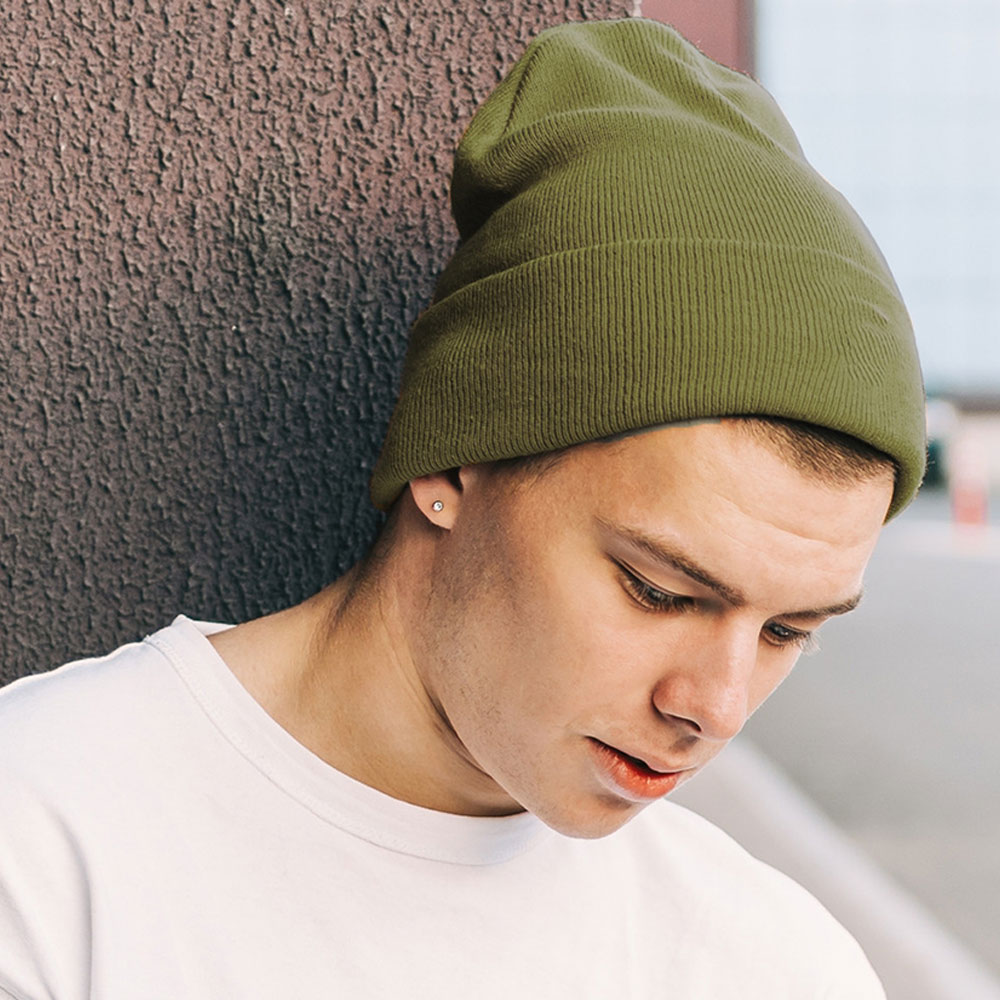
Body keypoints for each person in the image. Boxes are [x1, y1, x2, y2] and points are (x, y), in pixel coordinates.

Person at [0, 17, 924, 999]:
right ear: (451, 461)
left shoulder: (774, 964)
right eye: (658, 591)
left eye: (787, 631)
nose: (714, 707)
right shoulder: (48, 838)